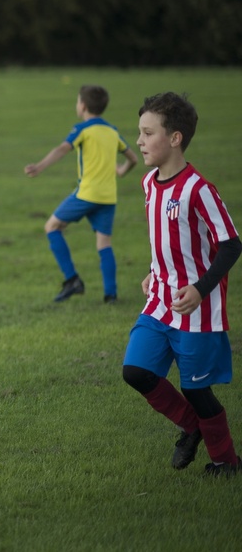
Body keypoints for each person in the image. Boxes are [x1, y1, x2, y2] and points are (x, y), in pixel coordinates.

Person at [122, 92, 241, 476]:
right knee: (136, 371)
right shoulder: (148, 182)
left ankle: (226, 462)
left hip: (196, 308)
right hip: (159, 299)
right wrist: (153, 268)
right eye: (140, 132)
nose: (139, 141)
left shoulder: (198, 189)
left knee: (195, 389)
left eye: (148, 133)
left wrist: (200, 289)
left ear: (175, 138)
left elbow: (231, 244)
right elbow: (167, 239)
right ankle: (192, 427)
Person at [24, 85, 138, 303]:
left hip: (87, 194)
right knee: (104, 244)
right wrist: (122, 171)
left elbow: (62, 149)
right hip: (108, 197)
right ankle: (111, 295)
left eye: (77, 101)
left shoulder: (82, 129)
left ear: (83, 106)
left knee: (51, 227)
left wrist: (39, 167)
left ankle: (72, 279)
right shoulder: (112, 131)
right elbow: (133, 158)